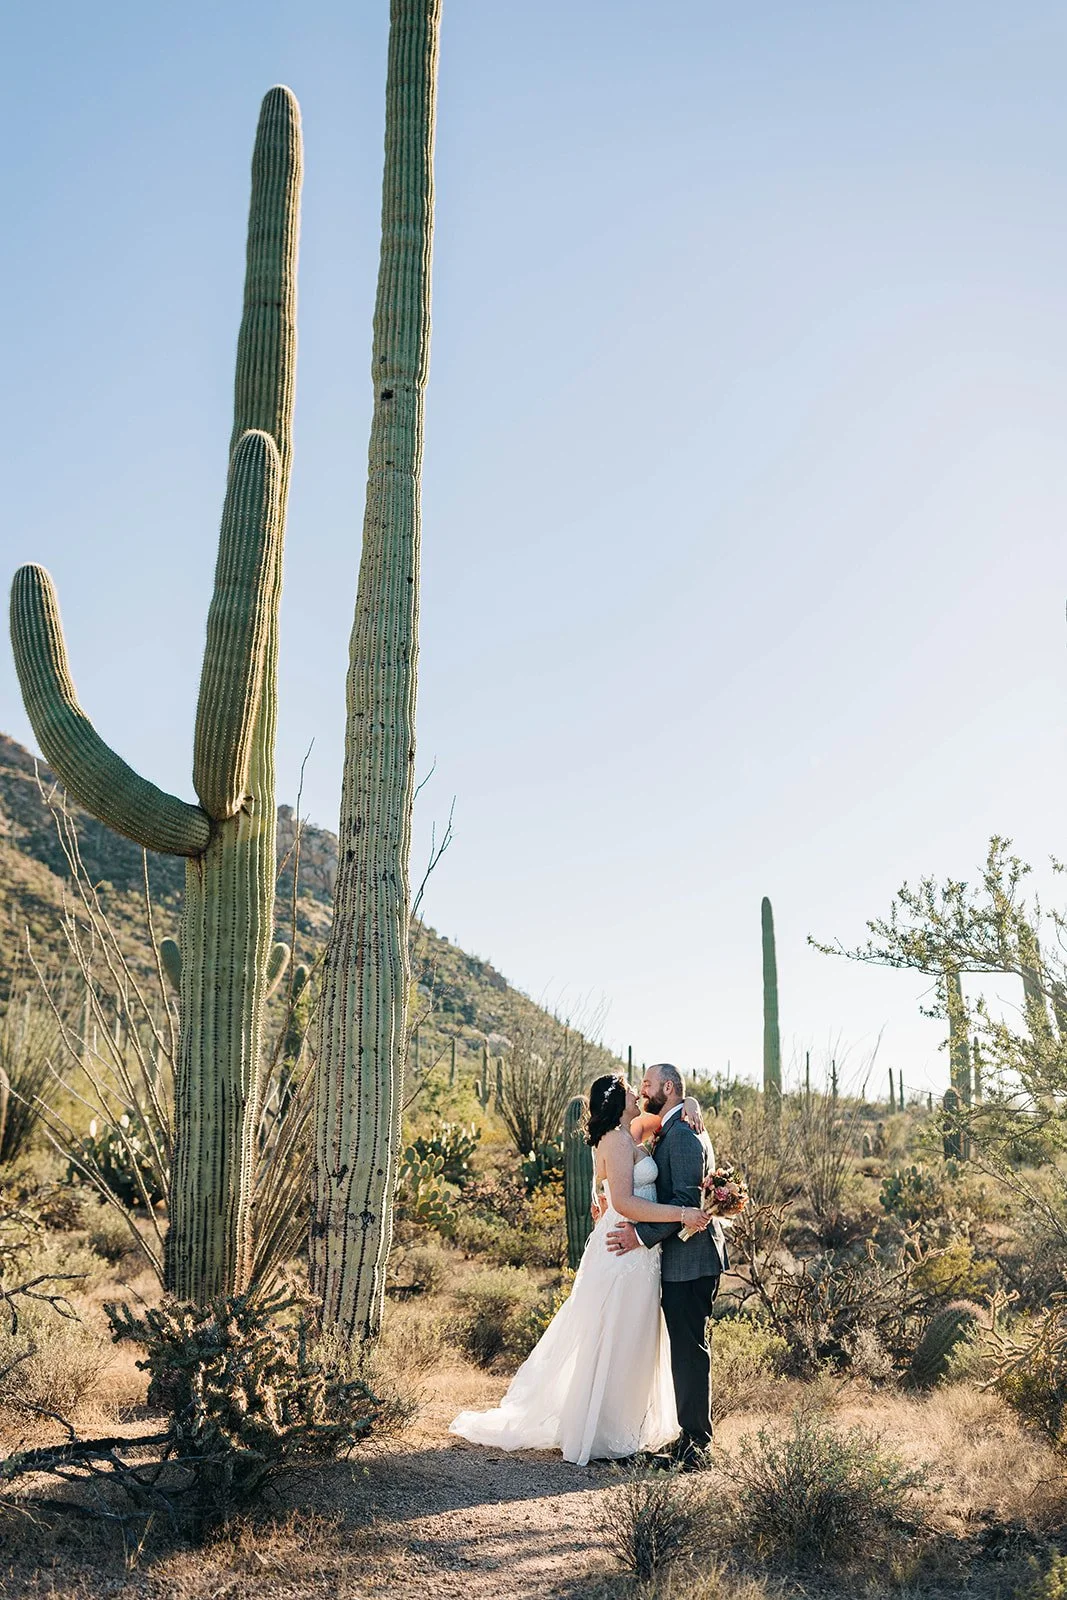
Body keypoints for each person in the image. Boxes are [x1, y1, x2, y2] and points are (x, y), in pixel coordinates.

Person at [448, 1073, 710, 1466]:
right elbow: (623, 1202)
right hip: (627, 1250)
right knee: (615, 1336)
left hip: (642, 1253)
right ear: (618, 1100)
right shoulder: (617, 1140)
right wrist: (683, 1212)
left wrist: (691, 1104)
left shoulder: (630, 1130)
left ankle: (627, 1427)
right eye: (631, 1089)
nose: (639, 1092)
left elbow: (667, 1117)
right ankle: (603, 1432)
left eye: (643, 1086)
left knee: (634, 1338)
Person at [606, 1063, 727, 1467]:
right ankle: (689, 1437)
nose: (642, 1091)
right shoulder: (673, 1126)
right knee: (684, 1349)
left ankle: (696, 1446)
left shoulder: (683, 1135)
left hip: (691, 1261)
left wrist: (639, 1236)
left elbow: (685, 1204)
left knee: (689, 1351)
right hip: (681, 1260)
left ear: (669, 1087)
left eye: (647, 1084)